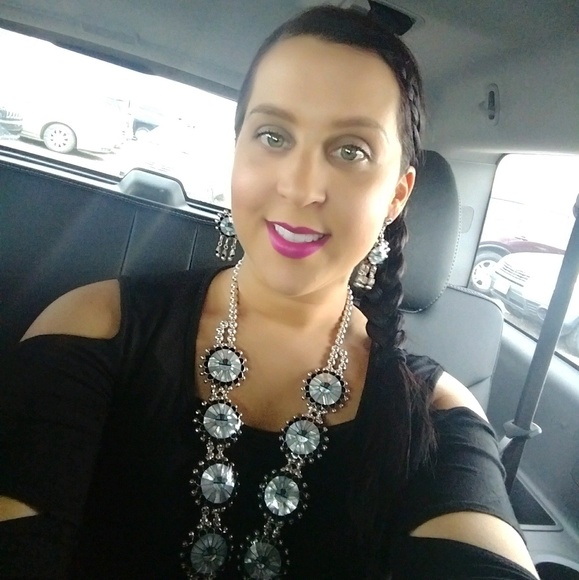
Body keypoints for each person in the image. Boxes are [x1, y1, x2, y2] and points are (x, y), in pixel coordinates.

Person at [0, 6, 539, 579]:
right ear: (237, 153)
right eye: (273, 136)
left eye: (351, 150)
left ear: (397, 196)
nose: (301, 188)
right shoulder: (96, 323)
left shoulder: (434, 415)